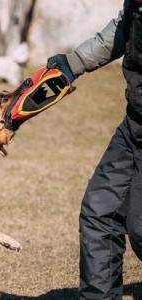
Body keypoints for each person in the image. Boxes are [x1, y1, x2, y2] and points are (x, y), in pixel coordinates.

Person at [46, 0, 142, 299]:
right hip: (135, 125)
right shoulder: (135, 7)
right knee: (99, 211)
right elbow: (120, 30)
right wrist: (73, 64)